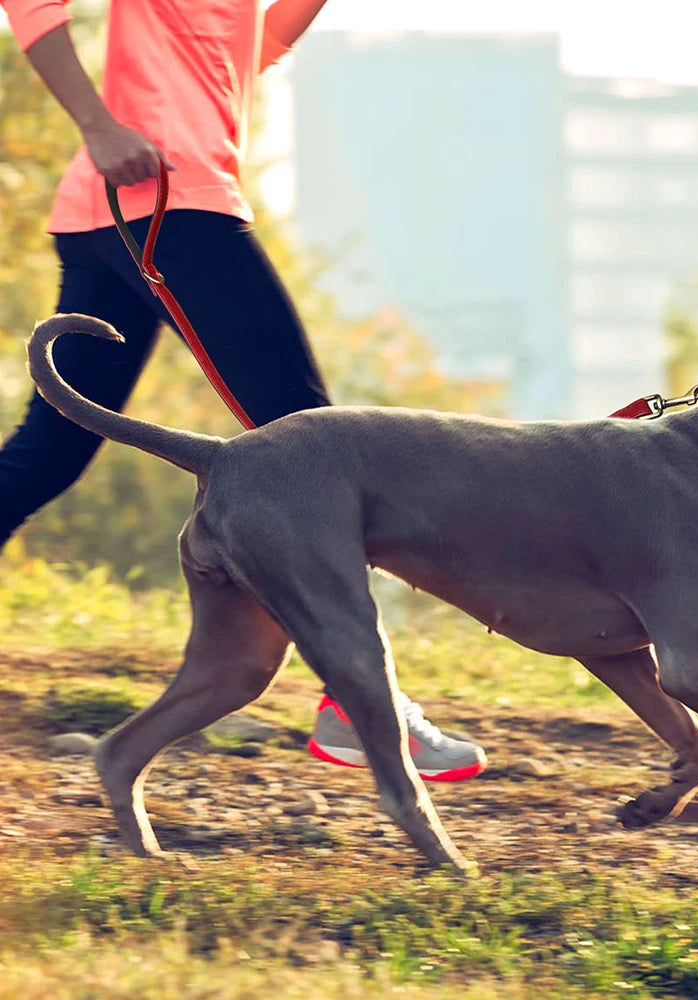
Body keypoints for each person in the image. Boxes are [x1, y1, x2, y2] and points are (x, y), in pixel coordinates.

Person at [0, 0, 486, 782]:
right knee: (322, 455)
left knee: (48, 452)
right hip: (169, 201)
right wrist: (98, 126)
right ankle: (357, 707)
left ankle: (353, 701)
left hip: (121, 208)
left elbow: (251, 49)